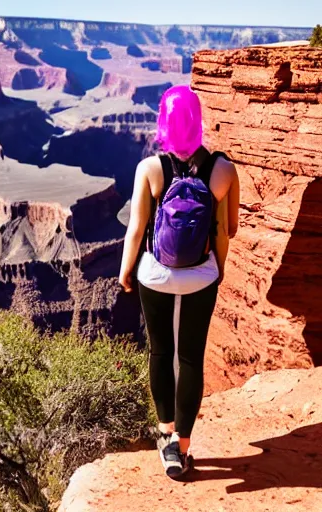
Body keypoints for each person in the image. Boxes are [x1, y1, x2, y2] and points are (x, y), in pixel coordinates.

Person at [118, 84, 240, 480]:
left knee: (159, 352)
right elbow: (228, 229)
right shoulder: (224, 170)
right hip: (201, 275)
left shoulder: (151, 168)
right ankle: (182, 449)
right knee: (190, 358)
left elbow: (136, 229)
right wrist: (215, 267)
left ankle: (163, 432)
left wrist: (125, 272)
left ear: (164, 123)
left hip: (155, 274)